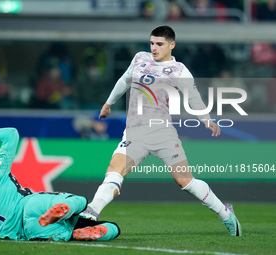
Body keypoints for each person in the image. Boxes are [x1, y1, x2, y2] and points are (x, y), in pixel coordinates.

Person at [80, 25, 242, 237]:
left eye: (159, 44)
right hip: (135, 132)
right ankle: (92, 211)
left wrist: (206, 119)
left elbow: (192, 96)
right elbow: (125, 80)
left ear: (171, 45)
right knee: (114, 169)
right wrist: (108, 103)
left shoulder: (179, 70)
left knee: (185, 181)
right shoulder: (140, 58)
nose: (154, 48)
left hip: (162, 133)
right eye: (151, 43)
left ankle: (225, 212)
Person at [0, 126, 120, 241]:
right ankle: (68, 207)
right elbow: (11, 134)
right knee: (82, 203)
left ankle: (73, 234)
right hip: (33, 204)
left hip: (29, 230)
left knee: (76, 231)